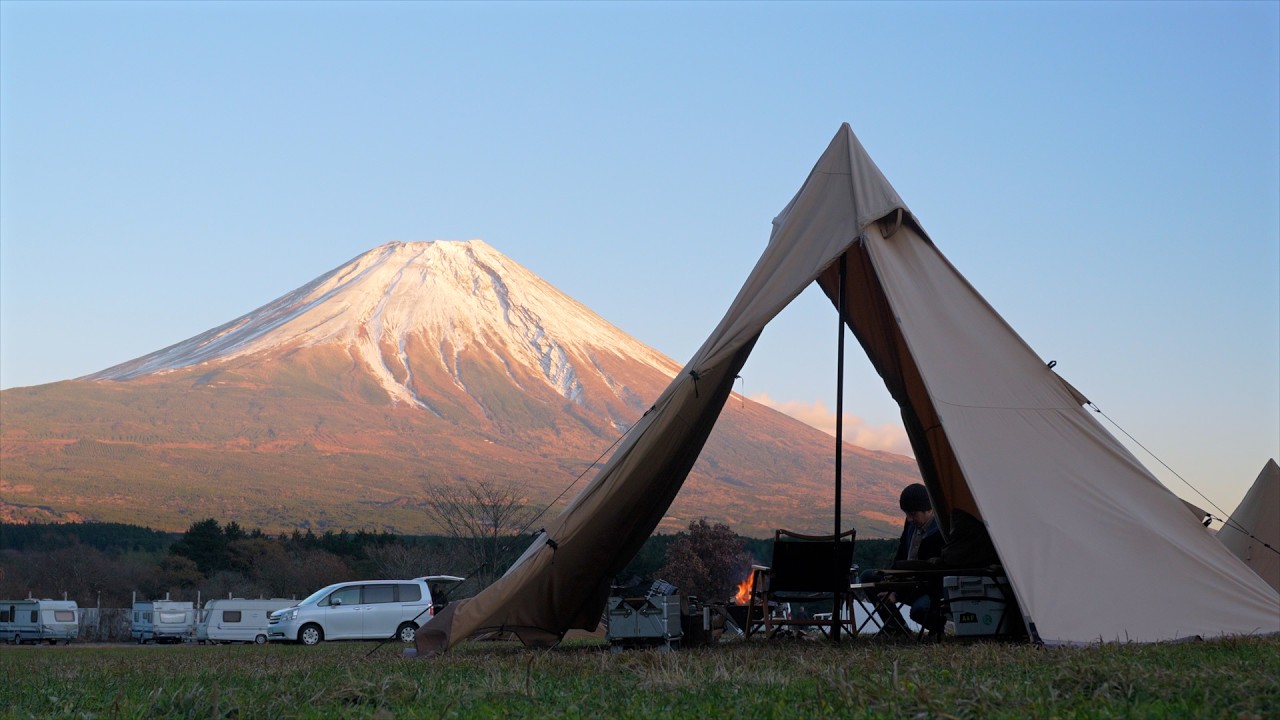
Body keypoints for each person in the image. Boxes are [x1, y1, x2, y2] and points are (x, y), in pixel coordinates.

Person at [859, 483, 945, 637]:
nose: (909, 519)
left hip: (927, 588)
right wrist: (889, 582)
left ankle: (937, 627)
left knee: (919, 611)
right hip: (905, 583)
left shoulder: (939, 532)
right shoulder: (911, 525)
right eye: (907, 514)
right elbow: (901, 556)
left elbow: (930, 575)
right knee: (867, 577)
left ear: (928, 509)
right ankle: (896, 627)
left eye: (913, 514)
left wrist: (896, 592)